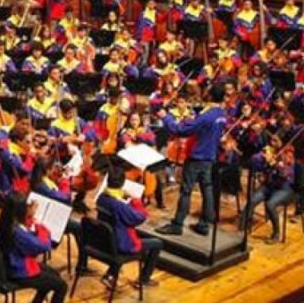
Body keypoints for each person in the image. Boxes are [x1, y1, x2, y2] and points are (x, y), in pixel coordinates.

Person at [155, 84, 228, 236]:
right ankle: (204, 225)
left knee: (186, 191)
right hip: (210, 156)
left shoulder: (207, 116)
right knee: (207, 188)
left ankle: (177, 225)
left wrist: (165, 117)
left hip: (197, 157)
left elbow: (180, 131)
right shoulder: (221, 113)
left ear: (210, 95)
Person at [95, 170, 163, 289]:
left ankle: (111, 275)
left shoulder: (101, 197)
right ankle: (144, 279)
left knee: (120, 232)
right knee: (157, 243)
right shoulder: (118, 205)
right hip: (118, 244)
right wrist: (136, 202)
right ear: (122, 183)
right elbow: (139, 218)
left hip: (103, 240)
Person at [0, 193, 67, 303]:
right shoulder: (17, 232)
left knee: (54, 275)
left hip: (11, 264)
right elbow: (44, 246)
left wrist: (29, 217)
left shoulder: (6, 223)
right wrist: (40, 227)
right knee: (62, 286)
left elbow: (27, 235)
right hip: (19, 271)